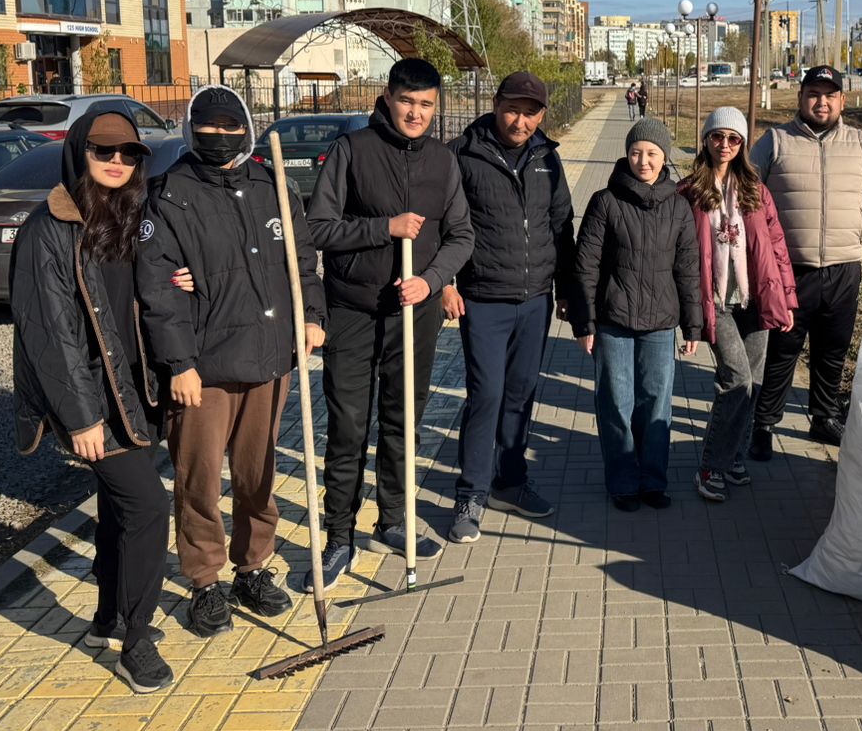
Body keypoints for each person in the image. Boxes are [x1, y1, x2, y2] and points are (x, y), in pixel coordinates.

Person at [137, 85, 325, 637]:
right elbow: (158, 290)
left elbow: (305, 260)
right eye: (207, 129)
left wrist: (313, 316)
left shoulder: (274, 187)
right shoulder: (171, 195)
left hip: (270, 360)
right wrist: (179, 363)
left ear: (247, 126)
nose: (219, 138)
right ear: (191, 130)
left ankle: (253, 567)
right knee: (198, 479)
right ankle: (204, 579)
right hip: (205, 370)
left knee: (257, 475)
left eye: (229, 127)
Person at [11, 106, 173, 691]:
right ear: (78, 153)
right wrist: (81, 418)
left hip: (134, 394)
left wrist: (180, 280)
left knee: (116, 510)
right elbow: (49, 335)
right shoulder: (47, 230)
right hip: (89, 402)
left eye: (128, 154)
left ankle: (108, 615)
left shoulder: (128, 217)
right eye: (103, 151)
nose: (116, 162)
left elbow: (139, 297)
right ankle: (135, 640)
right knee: (149, 508)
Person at [302, 58, 474, 589]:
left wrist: (432, 279)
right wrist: (385, 228)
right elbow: (319, 228)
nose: (416, 113)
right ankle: (338, 538)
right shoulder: (353, 151)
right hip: (353, 311)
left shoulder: (444, 162)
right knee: (350, 426)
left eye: (426, 105)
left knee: (403, 421)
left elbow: (461, 236)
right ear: (388, 98)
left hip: (413, 312)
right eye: (407, 102)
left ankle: (394, 521)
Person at [443, 72, 584, 544]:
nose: (519, 120)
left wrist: (566, 289)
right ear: (496, 104)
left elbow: (561, 224)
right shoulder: (463, 154)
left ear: (541, 115)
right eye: (511, 109)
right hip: (483, 298)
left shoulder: (547, 157)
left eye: (530, 112)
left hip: (535, 299)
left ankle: (510, 481)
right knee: (486, 394)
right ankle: (471, 492)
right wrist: (444, 282)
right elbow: (441, 226)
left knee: (521, 394)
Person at [748, 65, 862, 457]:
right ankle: (764, 423)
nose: (822, 101)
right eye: (814, 94)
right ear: (800, 99)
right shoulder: (775, 142)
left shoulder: (860, 145)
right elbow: (747, 196)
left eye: (830, 95)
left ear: (842, 101)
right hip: (790, 271)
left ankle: (824, 418)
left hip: (844, 268)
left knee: (832, 350)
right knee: (783, 351)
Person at [574, 117, 701, 511]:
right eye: (635, 152)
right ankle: (623, 482)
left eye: (651, 153)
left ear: (664, 158)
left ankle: (653, 480)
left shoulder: (679, 207)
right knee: (615, 403)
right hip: (614, 322)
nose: (643, 160)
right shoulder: (604, 202)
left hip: (661, 325)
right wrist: (585, 323)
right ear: (626, 154)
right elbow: (586, 267)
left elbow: (688, 268)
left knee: (656, 404)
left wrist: (692, 325)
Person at [677, 107, 796, 503]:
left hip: (754, 300)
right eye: (717, 137)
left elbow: (776, 246)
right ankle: (710, 465)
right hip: (716, 301)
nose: (724, 145)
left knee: (755, 383)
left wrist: (787, 299)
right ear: (706, 139)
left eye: (733, 139)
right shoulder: (690, 190)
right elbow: (678, 250)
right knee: (736, 381)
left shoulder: (755, 190)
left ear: (743, 144)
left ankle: (735, 457)